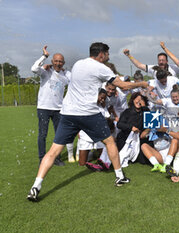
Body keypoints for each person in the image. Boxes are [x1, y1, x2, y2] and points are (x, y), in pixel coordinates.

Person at [27, 42, 149, 202]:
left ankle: (36, 186)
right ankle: (120, 176)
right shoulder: (101, 67)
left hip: (68, 113)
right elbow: (124, 85)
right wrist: (142, 83)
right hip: (89, 113)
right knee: (110, 142)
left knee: (53, 151)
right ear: (101, 55)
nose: (109, 57)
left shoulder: (78, 64)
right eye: (107, 54)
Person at [31, 45, 74, 165]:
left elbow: (76, 81)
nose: (58, 63)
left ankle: (57, 158)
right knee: (42, 135)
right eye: (56, 61)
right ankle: (41, 159)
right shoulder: (46, 72)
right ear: (52, 61)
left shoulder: (67, 75)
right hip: (43, 108)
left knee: (59, 136)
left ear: (63, 62)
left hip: (59, 109)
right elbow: (34, 69)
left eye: (60, 61)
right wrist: (44, 56)